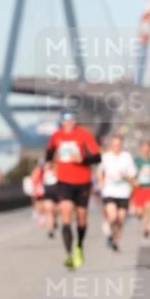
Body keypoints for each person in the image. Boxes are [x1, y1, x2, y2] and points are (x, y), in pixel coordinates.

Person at [45, 110, 101, 268]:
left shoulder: (84, 134)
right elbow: (49, 151)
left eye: (71, 120)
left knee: (82, 217)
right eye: (65, 121)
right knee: (66, 211)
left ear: (75, 122)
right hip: (64, 181)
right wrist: (49, 161)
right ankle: (69, 254)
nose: (68, 123)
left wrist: (82, 159)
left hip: (83, 180)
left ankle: (80, 245)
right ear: (62, 122)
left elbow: (97, 157)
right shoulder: (56, 136)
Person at [97, 133, 136, 251]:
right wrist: (101, 181)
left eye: (118, 145)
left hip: (123, 193)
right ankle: (108, 225)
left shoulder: (127, 157)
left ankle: (114, 241)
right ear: (111, 145)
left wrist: (125, 177)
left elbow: (132, 175)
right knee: (113, 217)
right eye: (114, 145)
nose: (116, 147)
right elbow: (99, 171)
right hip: (109, 191)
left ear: (122, 145)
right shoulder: (106, 157)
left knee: (120, 219)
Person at [132, 139, 150, 237]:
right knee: (139, 213)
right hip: (139, 189)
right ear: (141, 149)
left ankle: (146, 228)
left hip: (149, 188)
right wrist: (134, 180)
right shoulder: (136, 161)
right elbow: (131, 174)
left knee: (148, 208)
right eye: (144, 148)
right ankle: (138, 214)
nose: (145, 150)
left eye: (147, 148)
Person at [41, 159, 59, 239]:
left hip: (56, 191)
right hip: (47, 191)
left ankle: (54, 222)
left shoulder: (57, 169)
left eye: (49, 164)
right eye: (46, 164)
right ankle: (51, 228)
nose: (47, 165)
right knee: (49, 210)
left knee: (55, 210)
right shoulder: (43, 172)